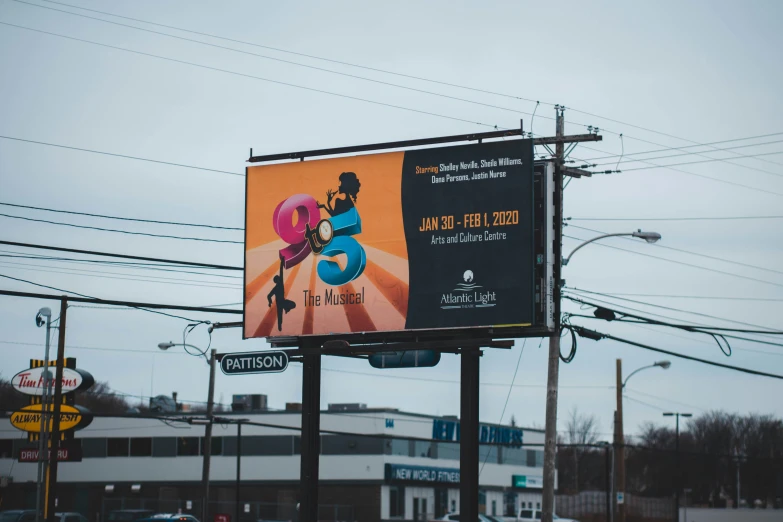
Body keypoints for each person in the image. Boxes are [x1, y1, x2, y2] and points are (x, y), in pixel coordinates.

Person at [267, 259, 296, 331]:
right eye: (278, 279)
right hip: (279, 303)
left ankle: (287, 308)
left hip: (283, 301)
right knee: (279, 315)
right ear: (276, 280)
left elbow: (281, 271)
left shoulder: (281, 284)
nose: (280, 279)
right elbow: (269, 295)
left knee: (293, 304)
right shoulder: (276, 288)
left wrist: (282, 262)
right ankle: (279, 327)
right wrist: (270, 302)